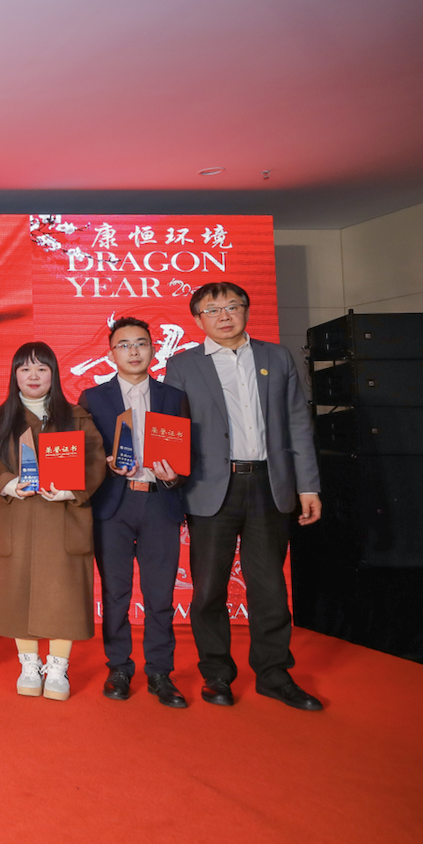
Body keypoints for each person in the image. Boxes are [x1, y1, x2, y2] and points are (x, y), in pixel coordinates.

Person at [163, 282, 323, 711]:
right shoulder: (182, 365)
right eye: (212, 309)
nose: (224, 315)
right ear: (197, 319)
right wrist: (167, 476)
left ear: (246, 311)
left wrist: (308, 486)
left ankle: (274, 674)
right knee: (209, 589)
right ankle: (216, 673)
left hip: (270, 484)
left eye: (232, 306)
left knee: (269, 586)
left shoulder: (277, 357)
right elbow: (171, 427)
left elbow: (298, 424)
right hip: (210, 488)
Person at [0, 341, 104, 701]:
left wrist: (70, 490)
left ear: (54, 374)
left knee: (63, 595)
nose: (33, 376)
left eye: (41, 368)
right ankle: (29, 664)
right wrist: (9, 483)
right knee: (19, 589)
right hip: (16, 518)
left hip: (64, 519)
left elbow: (95, 461)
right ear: (14, 375)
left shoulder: (77, 417)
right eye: (25, 369)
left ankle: (59, 667)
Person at [78, 317, 190, 707]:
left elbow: (189, 451)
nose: (133, 351)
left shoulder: (174, 397)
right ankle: (119, 667)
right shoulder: (93, 398)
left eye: (141, 343)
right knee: (116, 592)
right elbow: (84, 455)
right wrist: (105, 465)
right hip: (114, 505)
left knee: (160, 593)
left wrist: (175, 477)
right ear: (111, 354)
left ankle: (160, 671)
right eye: (124, 345)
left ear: (153, 349)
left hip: (160, 501)